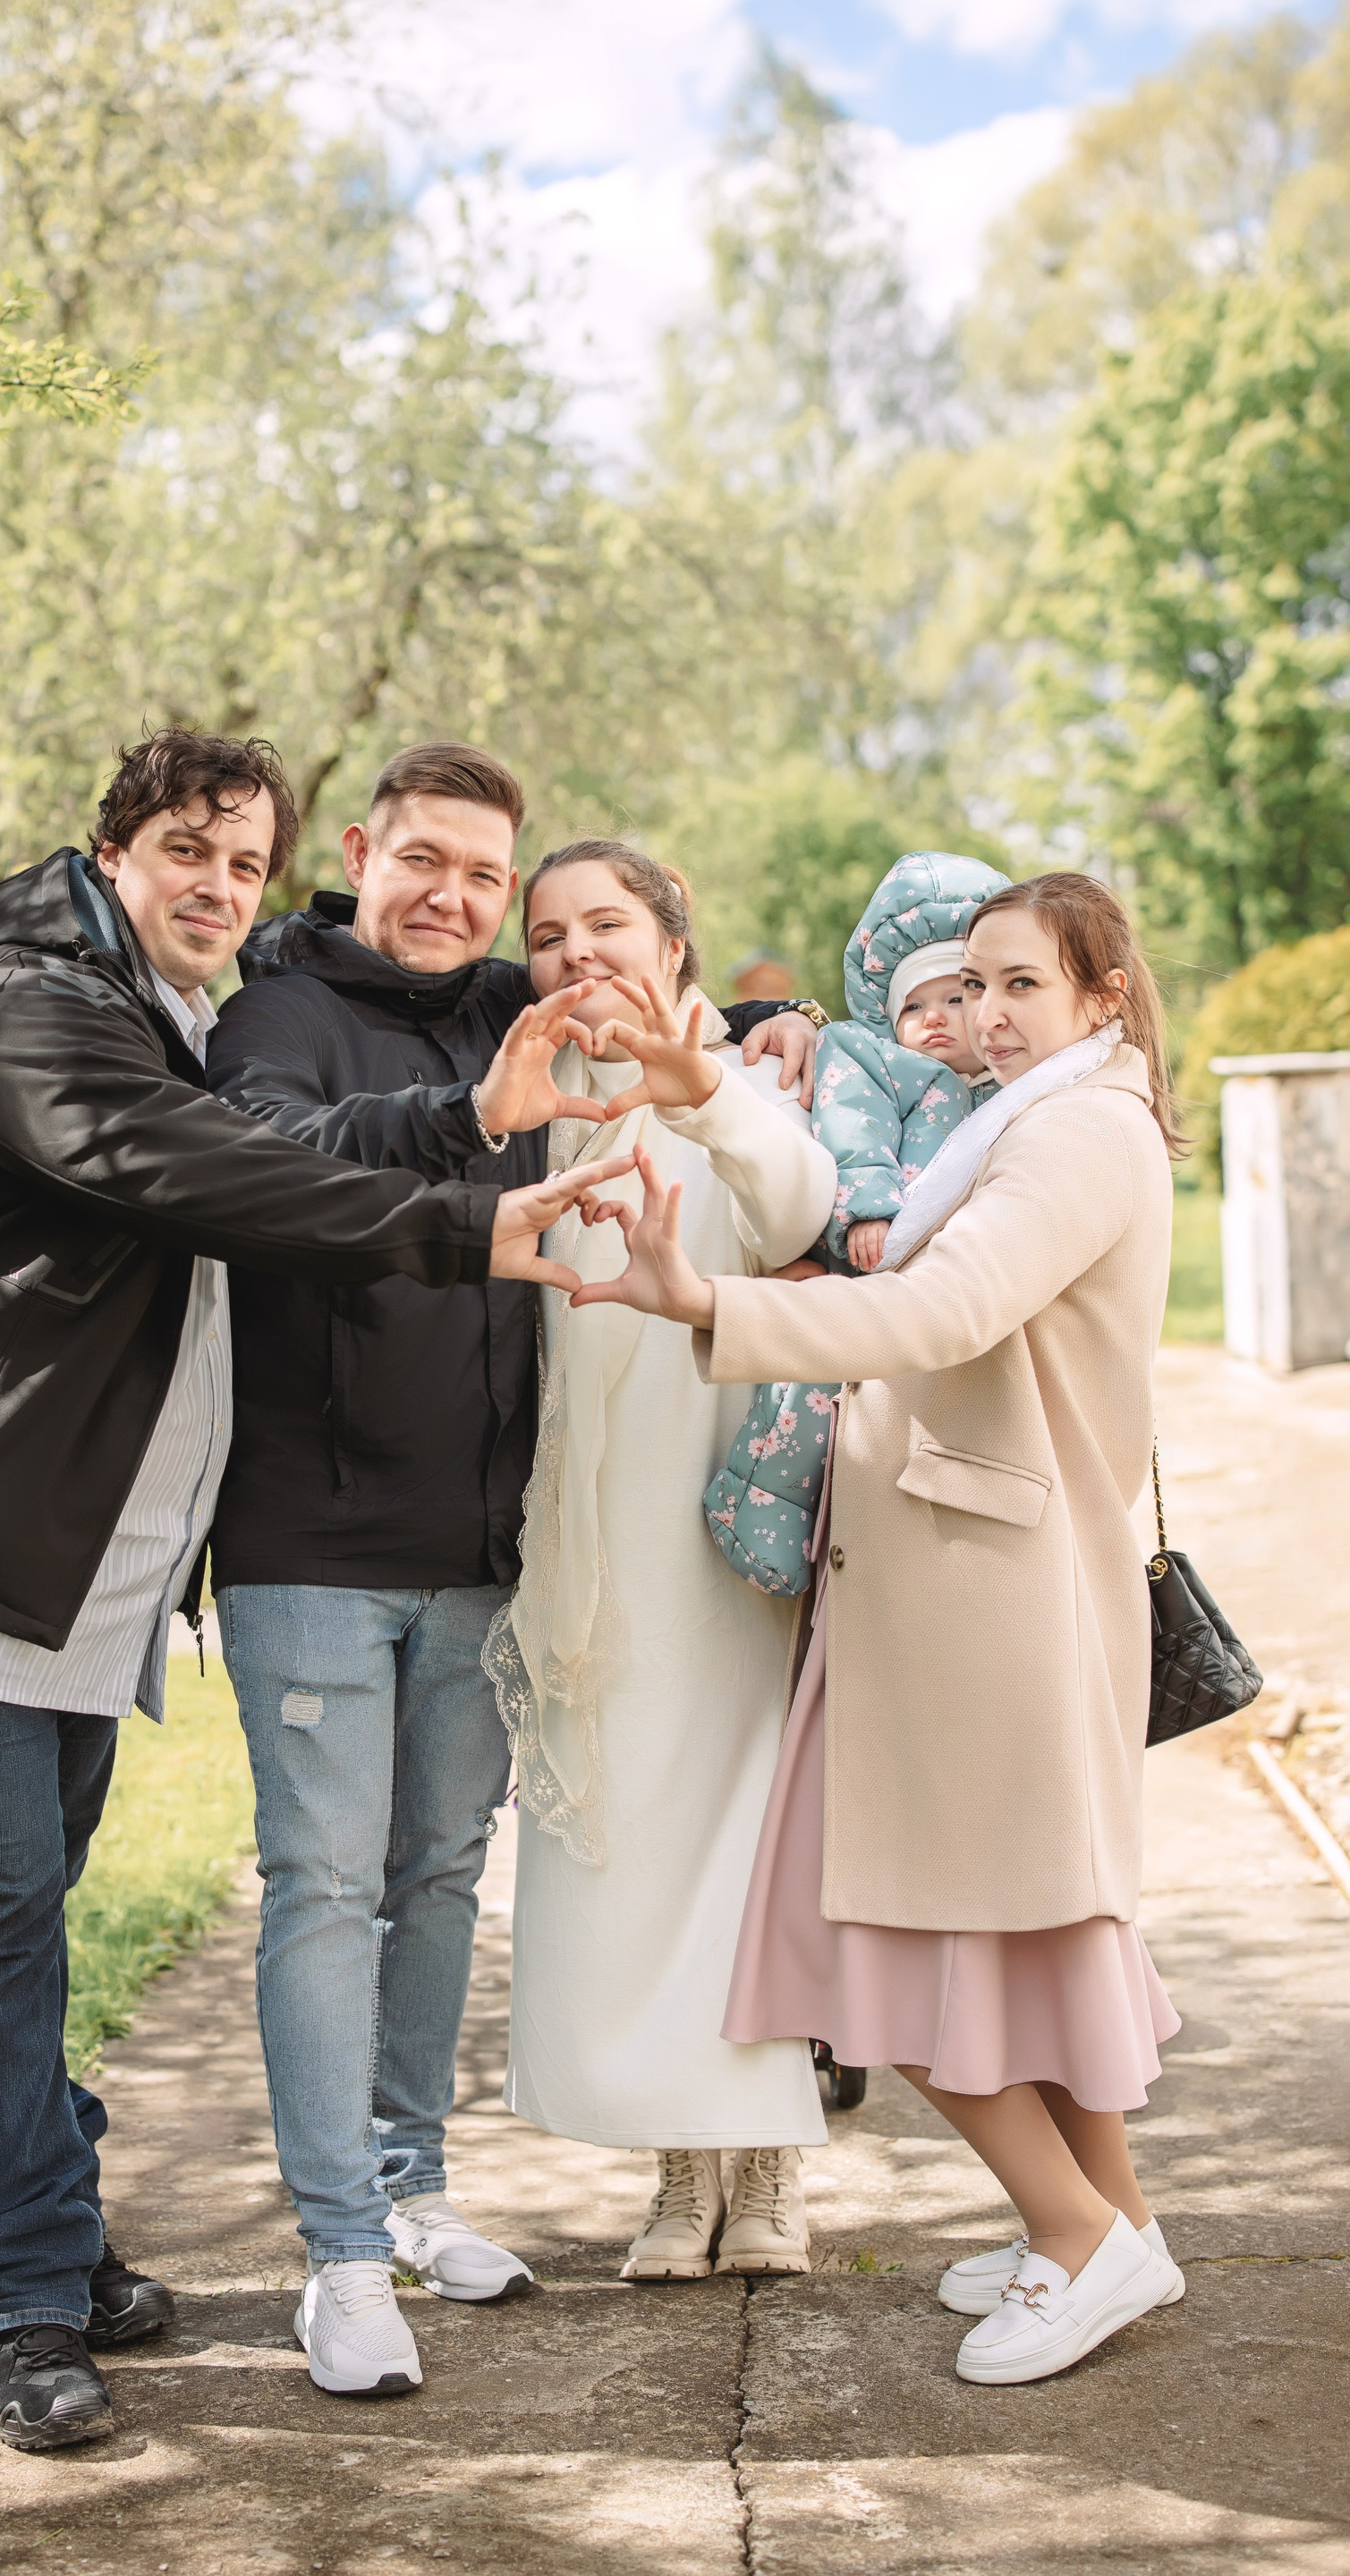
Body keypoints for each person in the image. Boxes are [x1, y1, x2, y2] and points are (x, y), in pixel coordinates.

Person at [0, 730, 630, 2453]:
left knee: (18, 1911)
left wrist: (743, 1040)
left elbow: (303, 1106)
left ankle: (43, 2228)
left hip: (40, 1569)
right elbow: (201, 1172)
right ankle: (18, 2301)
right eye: (186, 851)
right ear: (111, 851)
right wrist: (460, 1211)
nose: (217, 886)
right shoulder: (32, 1007)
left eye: (243, 862)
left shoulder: (178, 1013)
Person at [204, 746, 820, 2395]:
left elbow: (665, 1017)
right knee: (323, 1887)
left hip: (484, 1548)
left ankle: (412, 2194)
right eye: (425, 861)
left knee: (436, 1880)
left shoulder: (510, 1004)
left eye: (488, 878)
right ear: (360, 853)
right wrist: (475, 1115)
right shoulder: (274, 1017)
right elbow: (279, 1160)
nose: (458, 900)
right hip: (313, 1543)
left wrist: (774, 1035)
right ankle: (342, 2254)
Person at [574, 872, 1190, 2387]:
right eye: (972, 984)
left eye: (1022, 985)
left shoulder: (1073, 1133)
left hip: (982, 1591)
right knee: (1027, 1939)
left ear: (1104, 995)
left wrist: (706, 1306)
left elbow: (938, 1314)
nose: (987, 1014)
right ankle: (1110, 2223)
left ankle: (1075, 2236)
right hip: (964, 1577)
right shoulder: (1030, 1115)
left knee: (869, 1942)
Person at [484, 839, 838, 2284]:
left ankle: (771, 2170)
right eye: (549, 933)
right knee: (623, 1849)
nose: (578, 952)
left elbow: (801, 1210)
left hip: (722, 1525)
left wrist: (716, 1086)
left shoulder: (742, 1084)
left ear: (674, 944)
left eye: (608, 924)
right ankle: (677, 2174)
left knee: (743, 1846)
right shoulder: (532, 1097)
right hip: (583, 1535)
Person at [707, 852, 1006, 1597]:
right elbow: (851, 1123)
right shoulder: (885, 1062)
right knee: (809, 1392)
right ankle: (754, 1512)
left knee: (890, 1426)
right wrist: (868, 1207)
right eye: (914, 1007)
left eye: (955, 998)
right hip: (868, 1252)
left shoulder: (1007, 1091)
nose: (933, 1018)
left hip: (947, 1291)